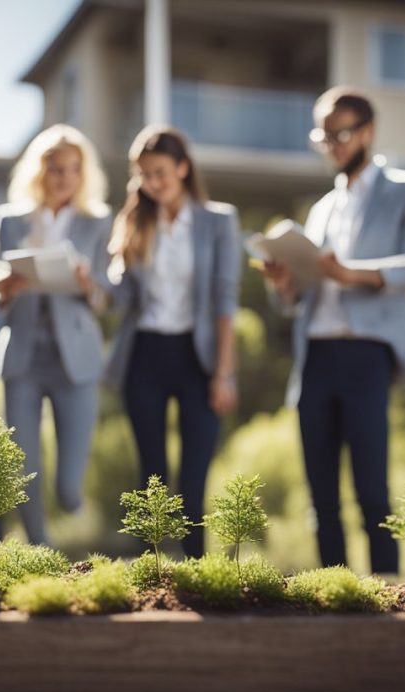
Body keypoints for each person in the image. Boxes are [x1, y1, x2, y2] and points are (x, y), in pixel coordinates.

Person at [261, 86, 405, 575]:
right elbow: (296, 300)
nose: (332, 143)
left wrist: (349, 273)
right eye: (323, 135)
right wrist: (285, 283)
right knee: (321, 495)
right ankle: (332, 596)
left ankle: (389, 593)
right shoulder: (320, 209)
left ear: (368, 132)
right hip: (314, 355)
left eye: (340, 133)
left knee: (372, 492)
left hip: (366, 354)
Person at [106, 125, 241, 559]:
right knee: (152, 475)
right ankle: (154, 569)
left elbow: (225, 300)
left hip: (196, 357)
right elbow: (121, 298)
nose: (152, 183)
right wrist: (93, 285)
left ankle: (198, 570)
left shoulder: (218, 221)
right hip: (144, 354)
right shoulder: (136, 221)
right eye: (144, 175)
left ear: (183, 168)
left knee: (194, 475)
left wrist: (224, 373)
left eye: (160, 172)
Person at [0, 124, 111, 546]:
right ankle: (40, 548)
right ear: (40, 171)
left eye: (74, 169)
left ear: (83, 173)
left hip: (74, 356)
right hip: (22, 353)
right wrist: (5, 287)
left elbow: (106, 298)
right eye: (56, 168)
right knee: (22, 465)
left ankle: (71, 503)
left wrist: (86, 282)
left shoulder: (97, 222)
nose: (65, 177)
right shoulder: (9, 219)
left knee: (69, 486)